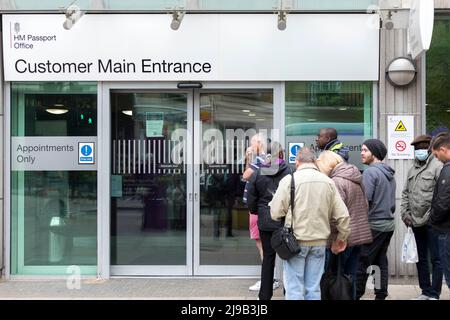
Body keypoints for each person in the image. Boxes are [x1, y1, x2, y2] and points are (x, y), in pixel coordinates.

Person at [269, 147, 350, 300]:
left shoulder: (289, 180)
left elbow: (275, 213)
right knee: (313, 288)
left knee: (294, 288)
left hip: (295, 242)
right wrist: (341, 238)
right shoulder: (328, 182)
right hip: (319, 243)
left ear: (297, 162)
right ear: (314, 161)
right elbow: (343, 216)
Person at [316, 151, 372, 299]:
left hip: (343, 238)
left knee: (333, 277)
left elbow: (336, 215)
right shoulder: (354, 177)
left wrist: (337, 240)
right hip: (358, 236)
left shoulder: (336, 181)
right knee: (349, 277)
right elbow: (365, 205)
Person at [400, 134, 443, 300]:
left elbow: (443, 195)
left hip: (432, 222)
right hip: (415, 221)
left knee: (436, 259)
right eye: (417, 148)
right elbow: (405, 193)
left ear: (430, 148)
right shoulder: (412, 168)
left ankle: (434, 293)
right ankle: (425, 291)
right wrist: (405, 213)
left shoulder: (438, 166)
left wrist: (435, 215)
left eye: (423, 147)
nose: (420, 151)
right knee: (421, 258)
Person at [246, 141, 291, 300]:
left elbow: (251, 198)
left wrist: (256, 211)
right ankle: (289, 293)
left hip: (266, 219)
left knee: (268, 258)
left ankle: (264, 296)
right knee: (289, 257)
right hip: (285, 220)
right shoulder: (290, 171)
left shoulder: (258, 173)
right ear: (281, 154)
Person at [355, 139, 396, 300]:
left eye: (365, 150)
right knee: (380, 261)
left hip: (374, 225)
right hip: (388, 224)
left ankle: (356, 294)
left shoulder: (371, 172)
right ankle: (381, 294)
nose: (362, 153)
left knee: (362, 262)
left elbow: (365, 201)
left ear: (374, 153)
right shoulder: (389, 173)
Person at [242, 133, 279, 291]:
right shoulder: (269, 160)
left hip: (258, 209)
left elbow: (246, 176)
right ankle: (270, 278)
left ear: (259, 143)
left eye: (252, 143)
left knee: (261, 244)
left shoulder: (259, 159)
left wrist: (249, 158)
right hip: (266, 207)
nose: (250, 146)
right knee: (266, 245)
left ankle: (268, 280)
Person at [430, 132, 450, 290]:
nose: (437, 159)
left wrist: (433, 220)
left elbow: (442, 203)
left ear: (443, 149)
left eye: (436, 155)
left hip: (446, 229)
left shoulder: (447, 171)